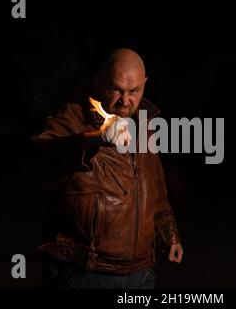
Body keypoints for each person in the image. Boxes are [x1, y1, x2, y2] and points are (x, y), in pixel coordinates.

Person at [31, 48, 183, 289]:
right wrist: (94, 139)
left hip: (140, 272)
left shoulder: (145, 124)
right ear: (98, 82)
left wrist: (168, 235)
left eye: (134, 91)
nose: (125, 101)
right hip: (84, 272)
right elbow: (36, 162)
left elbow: (154, 189)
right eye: (116, 90)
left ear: (144, 84)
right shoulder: (72, 117)